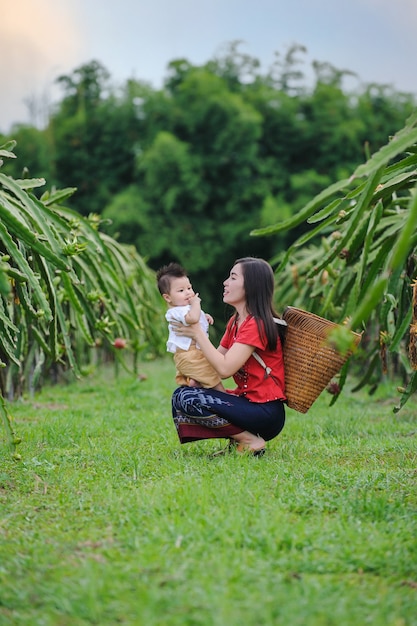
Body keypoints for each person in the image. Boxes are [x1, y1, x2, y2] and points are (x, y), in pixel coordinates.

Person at [169, 257, 287, 456]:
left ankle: (250, 440)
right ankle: (239, 442)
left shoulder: (256, 325)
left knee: (189, 399)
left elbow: (225, 369)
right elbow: (216, 366)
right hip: (247, 404)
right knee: (181, 395)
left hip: (265, 412)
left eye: (233, 277)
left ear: (250, 286)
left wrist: (197, 332)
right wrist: (195, 372)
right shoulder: (236, 322)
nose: (225, 282)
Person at [157, 262, 225, 391]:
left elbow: (196, 317)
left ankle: (194, 382)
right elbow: (192, 318)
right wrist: (196, 303)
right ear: (167, 297)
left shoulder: (185, 308)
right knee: (212, 379)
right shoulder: (176, 311)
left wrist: (205, 317)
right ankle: (226, 399)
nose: (188, 293)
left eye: (189, 288)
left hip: (194, 353)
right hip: (189, 354)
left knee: (206, 373)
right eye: (181, 290)